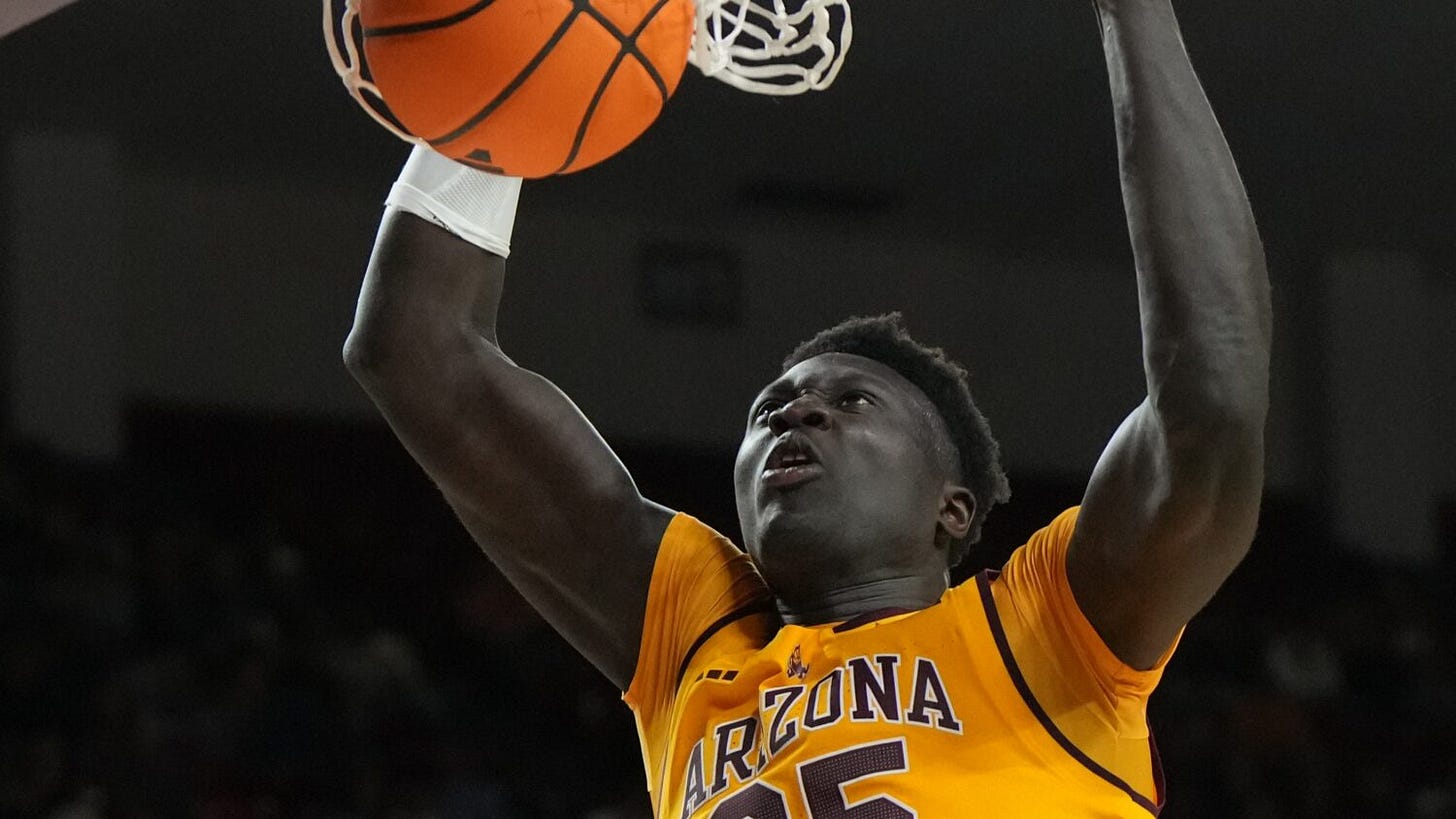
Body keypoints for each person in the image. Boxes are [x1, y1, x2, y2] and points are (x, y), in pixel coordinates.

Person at [343, 0, 1270, 815]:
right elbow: (415, 351)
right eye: (769, 409)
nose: (795, 417)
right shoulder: (698, 631)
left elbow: (1211, 400)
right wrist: (508, 71)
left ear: (952, 508)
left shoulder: (1045, 631)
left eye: (850, 401)